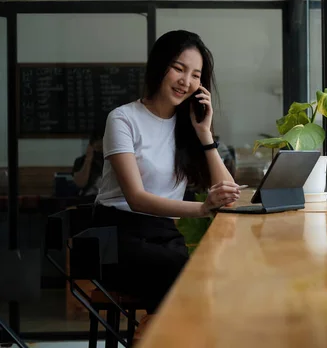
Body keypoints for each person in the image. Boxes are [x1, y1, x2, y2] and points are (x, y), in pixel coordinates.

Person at [92, 30, 241, 340]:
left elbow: (230, 195)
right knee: (185, 274)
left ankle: (153, 335)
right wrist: (201, 208)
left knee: (202, 273)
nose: (185, 80)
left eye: (195, 75)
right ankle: (157, 337)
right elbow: (136, 198)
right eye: (178, 68)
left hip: (163, 235)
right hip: (115, 237)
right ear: (159, 65)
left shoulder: (188, 129)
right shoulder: (122, 119)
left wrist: (204, 133)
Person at [72, 130, 104, 197]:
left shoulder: (112, 160)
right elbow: (80, 183)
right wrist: (88, 159)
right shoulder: (81, 161)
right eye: (97, 148)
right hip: (88, 198)